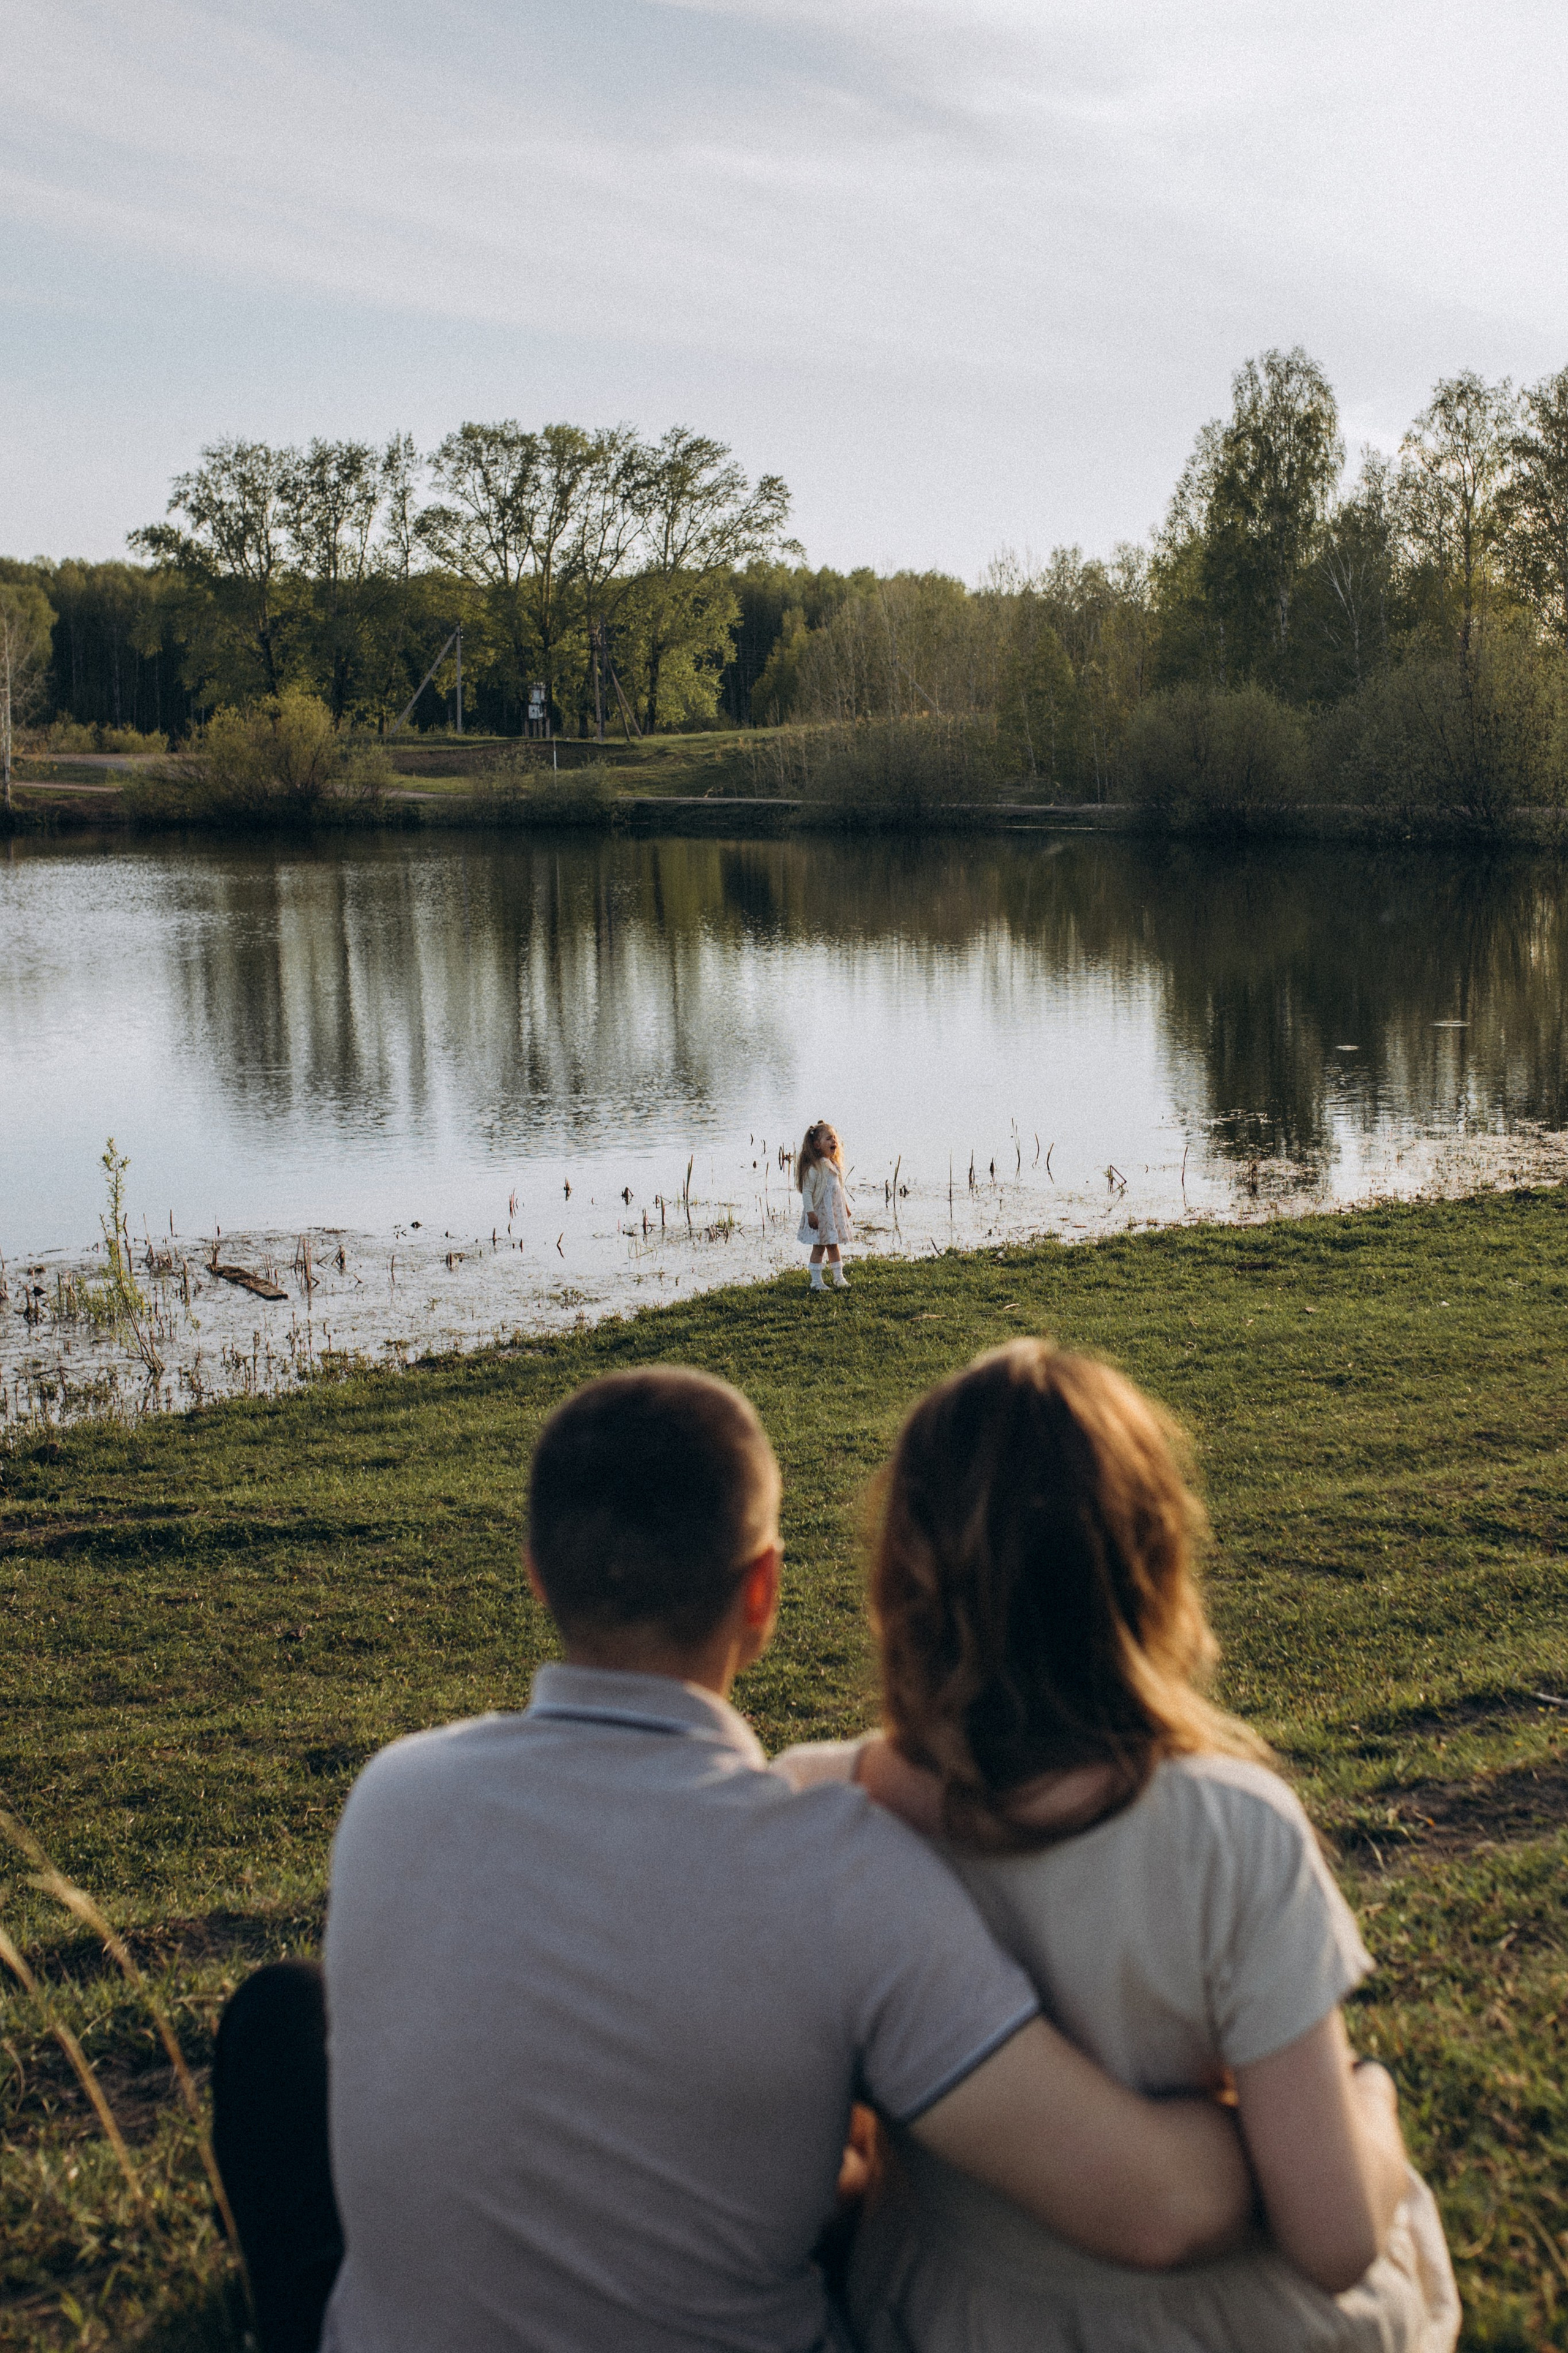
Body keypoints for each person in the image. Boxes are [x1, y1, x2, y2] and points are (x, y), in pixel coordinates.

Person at [284, 1367, 1254, 2353]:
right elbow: (1157, 2211)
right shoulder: (837, 1869)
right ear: (764, 1589)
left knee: (277, 2028)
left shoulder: (392, 1796)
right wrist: (1343, 2099)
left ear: (537, 1570)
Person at [775, 1340, 1460, 2353]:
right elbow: (1333, 2241)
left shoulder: (818, 1801)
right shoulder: (1234, 1832)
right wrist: (1371, 2105)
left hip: (942, 2313)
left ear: (904, 1577)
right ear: (1152, 1566)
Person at [797, 1120, 852, 1291]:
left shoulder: (834, 1166)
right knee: (819, 1247)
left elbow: (839, 1190)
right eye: (829, 1139)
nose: (834, 1141)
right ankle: (816, 1281)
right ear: (817, 1145)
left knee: (834, 1245)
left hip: (832, 1216)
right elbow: (807, 1193)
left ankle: (839, 1278)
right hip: (820, 1216)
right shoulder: (814, 1169)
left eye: (835, 1138)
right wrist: (810, 1213)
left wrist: (846, 1207)